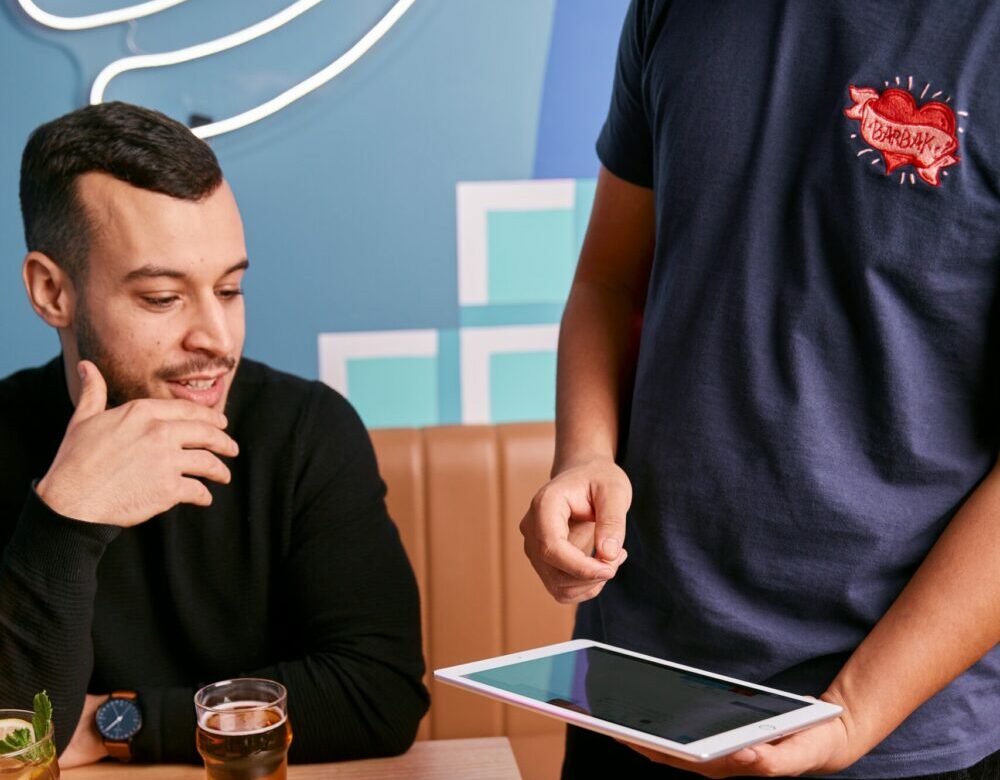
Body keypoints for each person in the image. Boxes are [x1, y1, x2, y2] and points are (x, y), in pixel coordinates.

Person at [520, 1, 1000, 777]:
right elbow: (611, 283)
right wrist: (584, 455)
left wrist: (858, 713)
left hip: (897, 731)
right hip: (637, 693)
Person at [0, 101, 428, 767]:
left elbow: (377, 695)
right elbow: (16, 739)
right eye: (163, 298)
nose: (216, 340)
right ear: (53, 291)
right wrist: (65, 523)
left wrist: (124, 721)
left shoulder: (306, 431)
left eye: (228, 290)